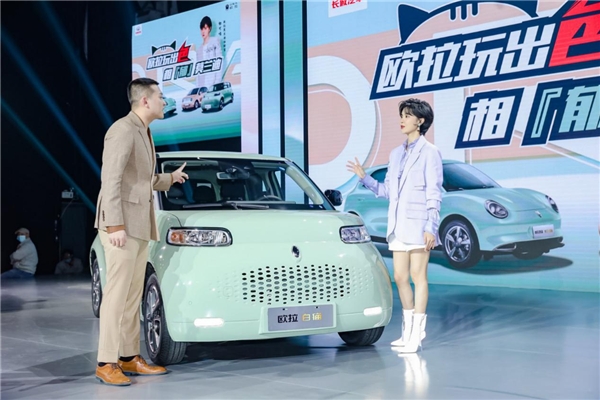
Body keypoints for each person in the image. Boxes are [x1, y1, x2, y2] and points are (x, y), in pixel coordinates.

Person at [94, 78, 188, 386]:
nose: (164, 101)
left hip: (138, 224)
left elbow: (139, 180)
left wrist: (169, 178)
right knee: (116, 295)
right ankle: (105, 362)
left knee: (132, 295)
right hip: (121, 225)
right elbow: (111, 180)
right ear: (145, 100)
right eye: (160, 96)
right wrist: (114, 225)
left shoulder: (143, 131)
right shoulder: (122, 130)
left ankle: (128, 357)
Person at [346, 98, 442, 353]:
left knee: (418, 276)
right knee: (400, 277)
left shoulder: (430, 152)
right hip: (398, 225)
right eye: (402, 115)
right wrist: (364, 178)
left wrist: (431, 226)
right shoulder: (395, 153)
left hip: (419, 224)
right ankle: (407, 330)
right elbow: (388, 191)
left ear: (420, 121)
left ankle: (416, 334)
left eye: (407, 115)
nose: (402, 120)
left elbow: (434, 192)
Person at [195, 15, 223, 89]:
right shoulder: (199, 50)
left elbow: (219, 64)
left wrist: (216, 84)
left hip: (212, 85)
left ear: (210, 28)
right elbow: (198, 72)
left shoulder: (215, 41)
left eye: (205, 28)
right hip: (202, 87)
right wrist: (198, 88)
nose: (203, 31)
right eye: (201, 29)